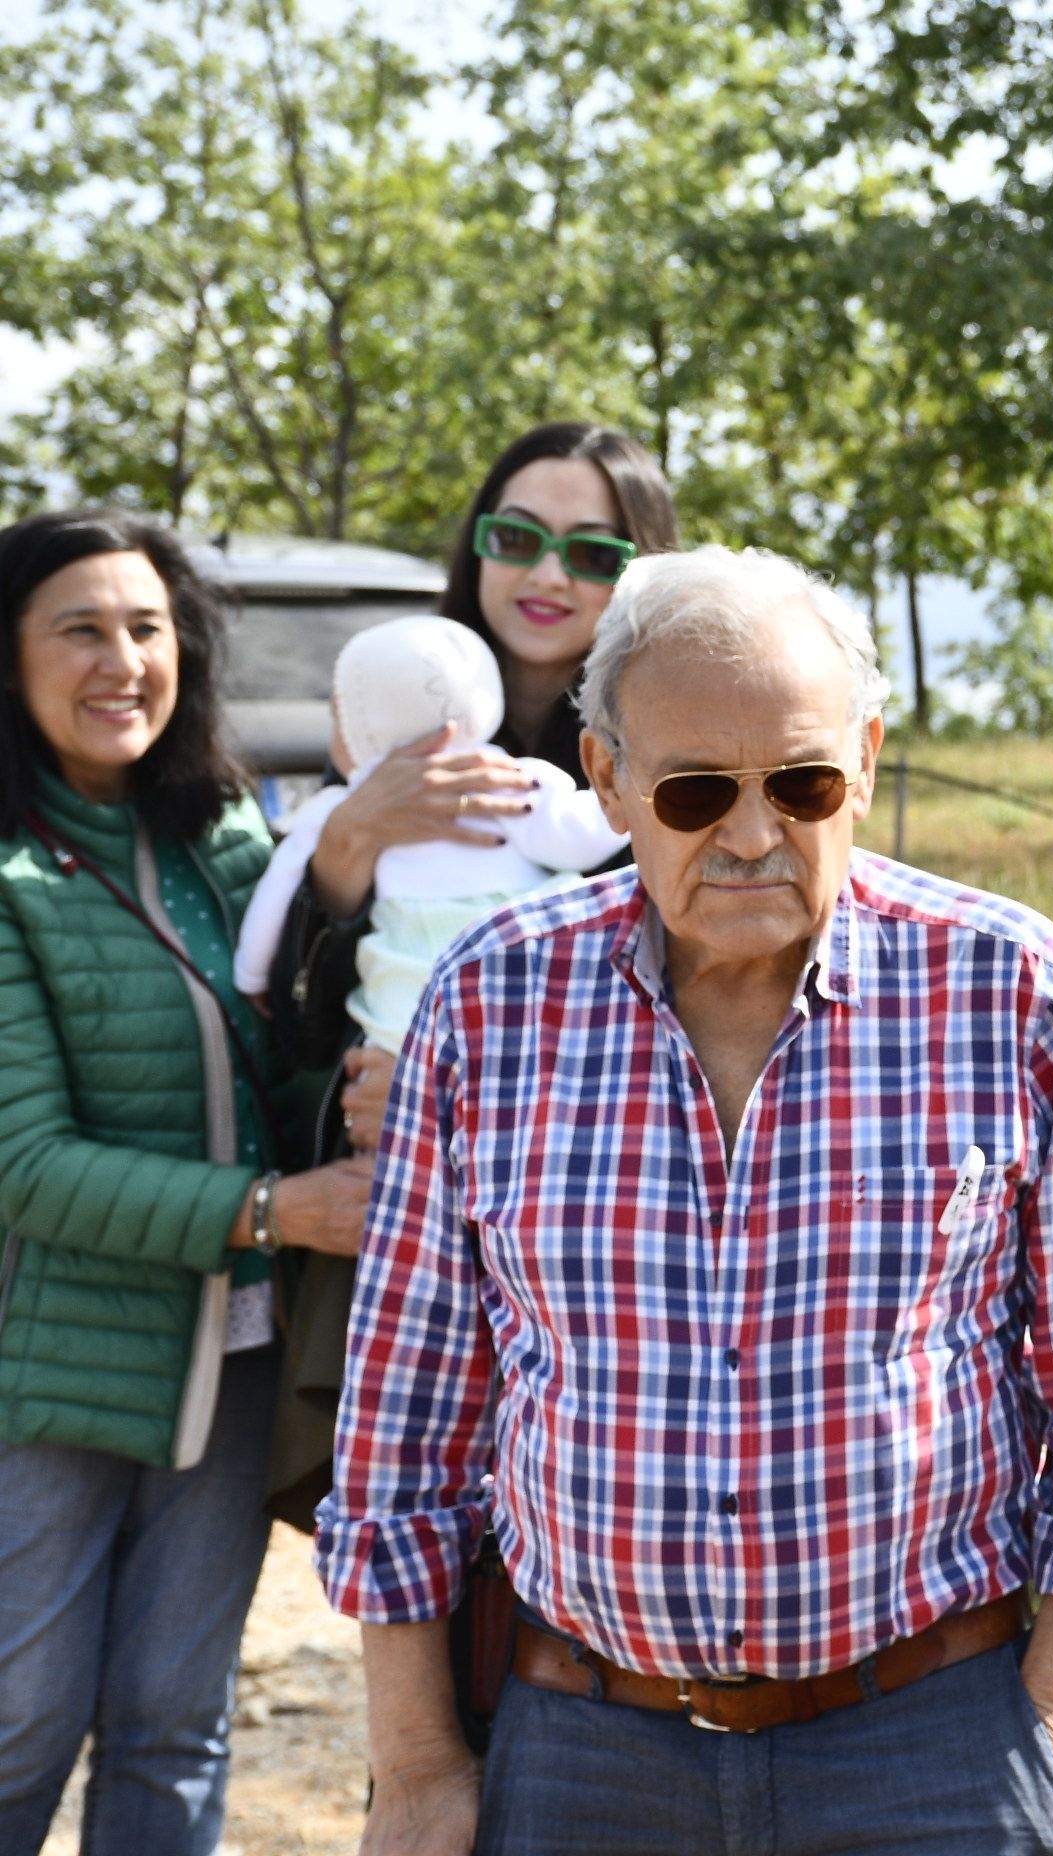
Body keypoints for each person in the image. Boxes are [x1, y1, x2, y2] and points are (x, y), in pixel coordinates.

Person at [316, 545, 1053, 1856]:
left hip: (932, 1737)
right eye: (693, 791)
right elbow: (406, 1428)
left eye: (802, 782)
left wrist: (1049, 1730)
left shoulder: (1010, 990)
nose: (750, 833)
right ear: (607, 778)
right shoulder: (487, 1005)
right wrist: (421, 1762)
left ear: (869, 763)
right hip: (583, 1741)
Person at [0, 508, 372, 1856]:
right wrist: (272, 1213)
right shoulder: (6, 874)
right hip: (55, 1375)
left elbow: (276, 1075)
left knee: (174, 1728)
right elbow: (23, 1166)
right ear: (10, 658)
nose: (122, 660)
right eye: (79, 630)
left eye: (146, 628)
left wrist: (345, 1101)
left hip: (237, 1362)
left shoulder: (226, 839)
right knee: (21, 1728)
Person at [259, 419, 673, 1525]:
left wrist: (464, 1094)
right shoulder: (380, 723)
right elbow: (287, 1034)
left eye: (596, 552)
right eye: (519, 534)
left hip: (610, 1254)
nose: (548, 573)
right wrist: (349, 845)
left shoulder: (672, 753)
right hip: (404, 1251)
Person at [233, 616, 626, 1047]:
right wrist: (630, 791)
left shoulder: (334, 807)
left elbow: (274, 897)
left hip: (403, 1007)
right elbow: (583, 836)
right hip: (522, 991)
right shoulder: (512, 778)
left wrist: (252, 974)